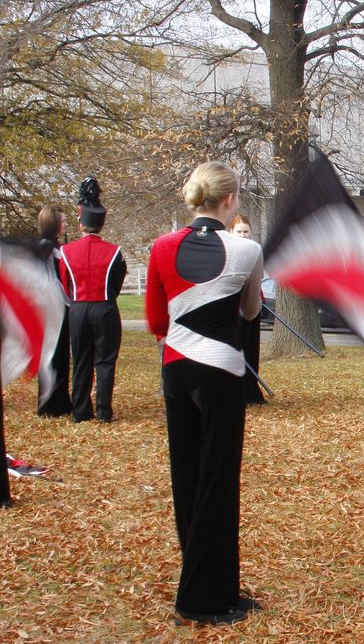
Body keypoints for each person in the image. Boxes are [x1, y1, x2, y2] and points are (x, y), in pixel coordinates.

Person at [145, 162, 264, 626]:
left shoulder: (160, 246)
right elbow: (252, 312)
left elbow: (156, 318)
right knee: (218, 480)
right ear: (231, 200)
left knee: (187, 477)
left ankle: (212, 586)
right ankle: (205, 598)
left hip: (176, 367)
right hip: (221, 372)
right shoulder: (247, 249)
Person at [59, 177, 127, 423]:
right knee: (105, 361)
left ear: (81, 223)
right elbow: (117, 281)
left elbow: (65, 280)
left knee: (81, 359)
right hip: (105, 307)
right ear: (101, 224)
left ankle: (80, 410)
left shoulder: (66, 251)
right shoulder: (114, 251)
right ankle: (104, 411)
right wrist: (107, 298)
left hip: (78, 308)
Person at [35, 205, 73, 417]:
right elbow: (50, 280)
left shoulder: (56, 246)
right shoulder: (46, 247)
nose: (66, 224)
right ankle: (50, 404)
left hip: (58, 308)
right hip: (52, 309)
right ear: (53, 223)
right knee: (52, 356)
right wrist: (67, 301)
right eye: (63, 220)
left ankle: (60, 400)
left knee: (60, 356)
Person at [228, 213, 266, 405]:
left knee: (250, 349)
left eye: (246, 232)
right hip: (232, 309)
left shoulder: (254, 250)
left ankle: (250, 390)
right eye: (239, 232)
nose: (243, 235)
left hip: (251, 306)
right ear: (231, 232)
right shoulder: (227, 251)